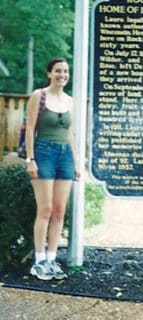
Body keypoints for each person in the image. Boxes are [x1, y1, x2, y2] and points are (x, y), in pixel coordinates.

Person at [25, 57, 79, 280]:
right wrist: (30, 159)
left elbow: (69, 134)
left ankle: (52, 259)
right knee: (45, 209)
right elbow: (29, 128)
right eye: (58, 71)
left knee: (59, 211)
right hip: (44, 152)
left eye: (65, 72)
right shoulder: (39, 96)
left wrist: (75, 162)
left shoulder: (70, 101)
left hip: (64, 154)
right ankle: (38, 261)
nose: (62, 75)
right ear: (49, 73)